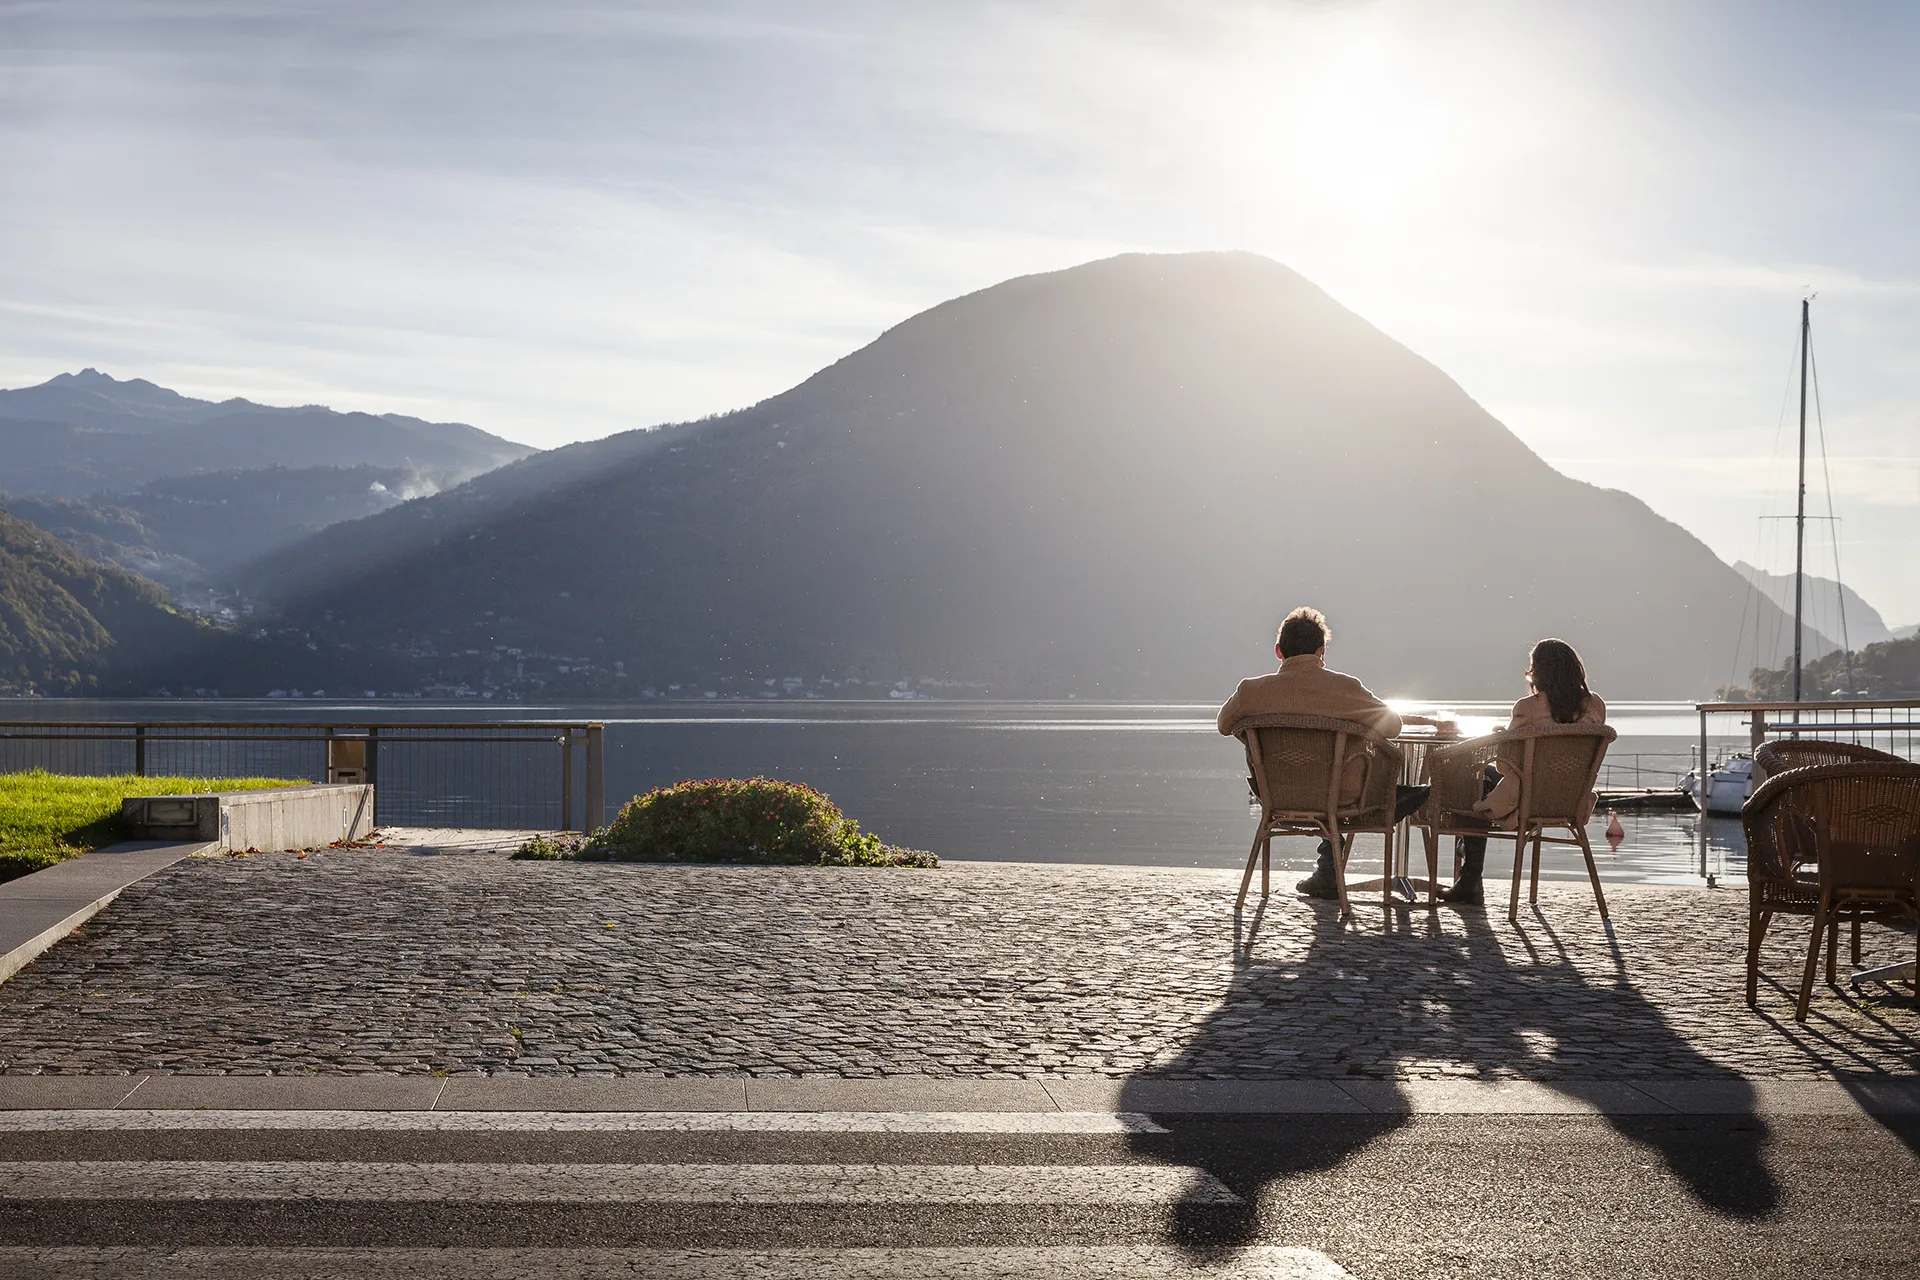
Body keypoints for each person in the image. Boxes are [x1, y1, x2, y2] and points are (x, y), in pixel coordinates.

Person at [1217, 606, 1430, 900]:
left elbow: (1223, 725)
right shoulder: (1345, 688)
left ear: (1279, 651)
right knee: (1347, 781)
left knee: (1328, 781)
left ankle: (1328, 872)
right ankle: (1393, 801)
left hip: (1277, 796)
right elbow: (1393, 726)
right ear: (1322, 651)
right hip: (1342, 798)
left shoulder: (1250, 692)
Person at [1443, 637, 1607, 905]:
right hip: (1571, 799)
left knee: (1476, 780)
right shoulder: (1596, 705)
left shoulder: (1527, 708)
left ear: (1538, 672)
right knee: (1485, 781)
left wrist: (1502, 739)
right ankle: (1468, 877)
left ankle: (1470, 878)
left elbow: (1504, 766)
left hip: (1528, 800)